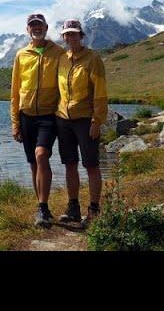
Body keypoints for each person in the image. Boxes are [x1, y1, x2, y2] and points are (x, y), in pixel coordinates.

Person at [11, 13, 65, 227]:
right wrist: (15, 121)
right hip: (26, 116)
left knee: (41, 155)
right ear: (27, 30)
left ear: (46, 27)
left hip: (48, 115)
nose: (36, 28)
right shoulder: (21, 55)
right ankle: (42, 207)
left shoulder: (58, 53)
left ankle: (42, 207)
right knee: (34, 164)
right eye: (32, 25)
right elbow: (15, 91)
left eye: (39, 25)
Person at [55, 19, 108, 227]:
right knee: (70, 164)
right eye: (67, 34)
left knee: (92, 165)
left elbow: (101, 92)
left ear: (81, 36)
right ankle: (73, 208)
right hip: (63, 119)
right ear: (63, 37)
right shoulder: (63, 58)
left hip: (86, 120)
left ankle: (94, 210)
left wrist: (97, 120)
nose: (71, 38)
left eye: (74, 34)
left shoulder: (93, 58)